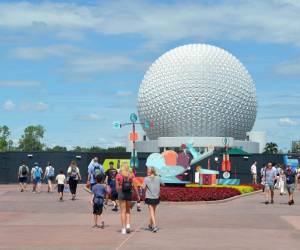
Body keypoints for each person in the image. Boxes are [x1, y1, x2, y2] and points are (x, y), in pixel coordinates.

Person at [142, 167, 164, 233]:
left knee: (151, 212)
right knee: (153, 212)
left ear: (150, 172)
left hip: (149, 197)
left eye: (147, 170)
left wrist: (140, 185)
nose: (147, 171)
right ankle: (150, 225)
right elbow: (163, 184)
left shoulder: (146, 178)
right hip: (156, 197)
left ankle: (154, 226)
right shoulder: (158, 178)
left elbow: (143, 187)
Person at [116, 162, 135, 234]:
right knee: (128, 210)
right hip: (129, 193)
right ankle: (128, 225)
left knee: (122, 211)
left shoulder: (118, 175)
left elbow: (117, 187)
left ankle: (123, 229)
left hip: (121, 193)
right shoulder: (131, 175)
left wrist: (119, 192)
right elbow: (133, 185)